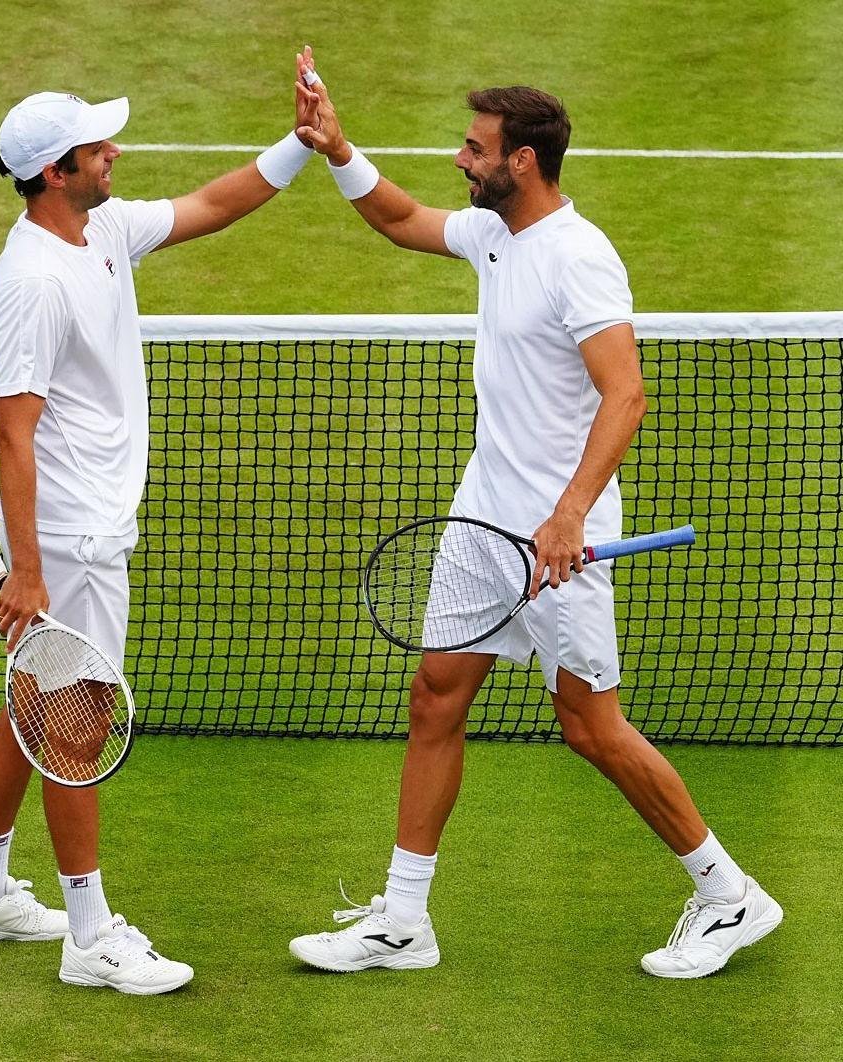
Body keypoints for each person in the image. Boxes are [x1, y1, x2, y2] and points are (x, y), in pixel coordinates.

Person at [287, 49, 782, 980]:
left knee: (591, 726)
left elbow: (625, 393)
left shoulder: (578, 256)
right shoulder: (493, 236)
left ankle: (728, 894)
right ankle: (402, 919)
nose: (459, 161)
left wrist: (568, 515)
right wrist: (336, 147)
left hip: (562, 540)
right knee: (436, 695)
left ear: (522, 161)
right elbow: (397, 218)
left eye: (474, 149)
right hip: (483, 526)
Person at [0, 85, 318, 994]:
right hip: (70, 539)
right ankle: (88, 935)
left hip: (94, 529)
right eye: (94, 148)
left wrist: (303, 143)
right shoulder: (30, 281)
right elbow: (13, 432)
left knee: (38, 704)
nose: (114, 154)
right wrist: (27, 569)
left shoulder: (102, 231)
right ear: (52, 173)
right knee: (78, 719)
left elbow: (214, 204)